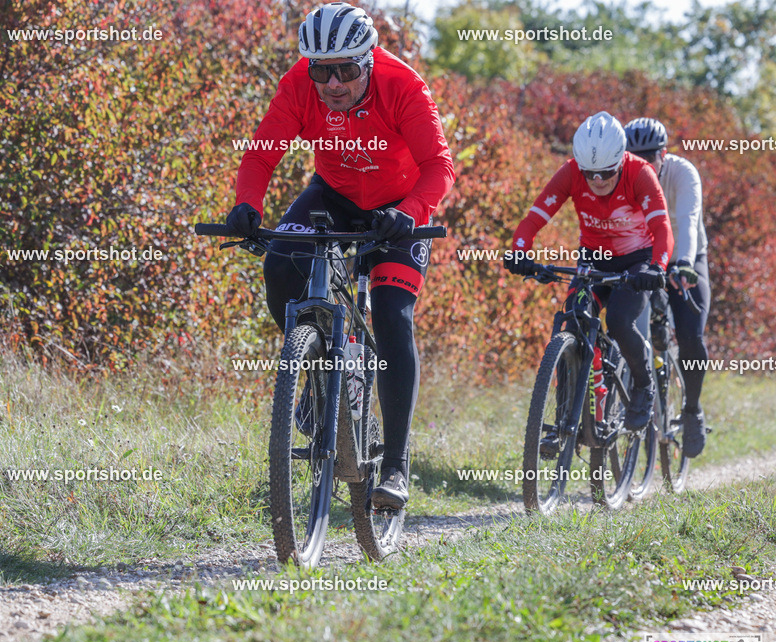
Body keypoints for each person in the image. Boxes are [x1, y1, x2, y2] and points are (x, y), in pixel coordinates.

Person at [225, 2, 456, 509]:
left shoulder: (405, 87)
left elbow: (439, 166)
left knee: (393, 316)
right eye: (321, 70)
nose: (331, 84)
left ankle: (394, 464)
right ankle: (316, 379)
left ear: (368, 61)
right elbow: (262, 152)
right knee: (280, 262)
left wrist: (412, 211)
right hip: (334, 194)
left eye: (346, 71)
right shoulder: (299, 84)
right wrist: (247, 203)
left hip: (399, 209)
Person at [505, 111, 674, 431]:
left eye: (606, 173)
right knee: (573, 319)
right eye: (590, 174)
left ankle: (643, 385)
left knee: (620, 322)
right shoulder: (570, 173)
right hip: (593, 259)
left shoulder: (641, 174)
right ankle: (563, 419)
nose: (597, 181)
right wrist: (520, 252)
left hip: (636, 262)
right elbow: (534, 219)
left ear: (622, 161)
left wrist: (657, 268)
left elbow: (662, 228)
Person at [624, 117, 710, 456]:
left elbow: (688, 220)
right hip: (646, 258)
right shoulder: (625, 175)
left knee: (691, 336)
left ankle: (692, 409)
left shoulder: (683, 172)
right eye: (637, 157)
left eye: (651, 158)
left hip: (686, 257)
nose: (644, 165)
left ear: (664, 153)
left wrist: (685, 264)